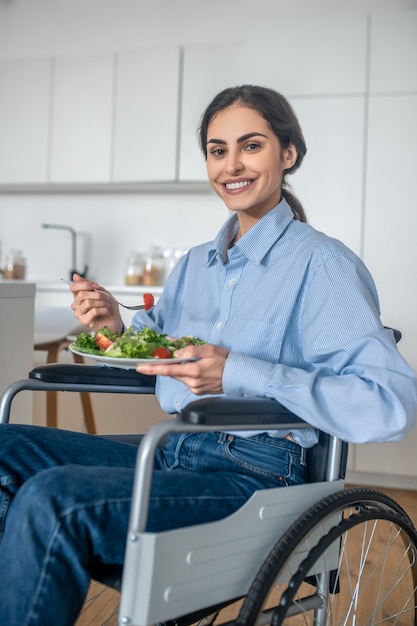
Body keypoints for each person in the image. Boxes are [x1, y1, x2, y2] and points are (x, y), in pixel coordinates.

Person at [0, 85, 416, 626]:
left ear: (287, 155)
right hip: (174, 452)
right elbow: (158, 350)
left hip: (257, 474)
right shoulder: (197, 265)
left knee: (53, 497)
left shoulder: (324, 265)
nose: (231, 165)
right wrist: (113, 327)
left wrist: (237, 372)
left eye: (251, 146)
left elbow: (390, 404)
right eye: (218, 150)